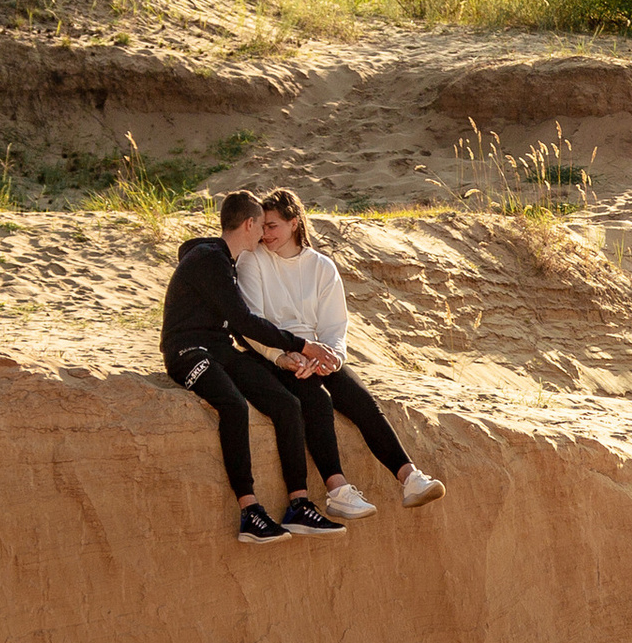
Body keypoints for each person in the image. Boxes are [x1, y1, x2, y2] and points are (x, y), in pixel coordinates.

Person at [237, 188, 445, 515]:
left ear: (294, 223)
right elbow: (252, 321)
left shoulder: (321, 267)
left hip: (315, 352)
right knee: (316, 398)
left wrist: (332, 357)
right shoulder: (253, 260)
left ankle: (410, 478)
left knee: (358, 397)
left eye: (273, 226)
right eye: (262, 226)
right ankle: (338, 491)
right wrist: (287, 355)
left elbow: (335, 326)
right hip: (274, 354)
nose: (265, 234)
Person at [161, 191, 351, 545]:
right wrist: (301, 345)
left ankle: (298, 504)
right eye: (261, 226)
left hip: (219, 348)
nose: (264, 234)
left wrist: (282, 358)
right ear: (248, 224)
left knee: (287, 403)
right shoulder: (210, 259)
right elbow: (244, 321)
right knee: (233, 405)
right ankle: (250, 511)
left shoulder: (222, 259)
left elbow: (235, 325)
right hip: (187, 351)